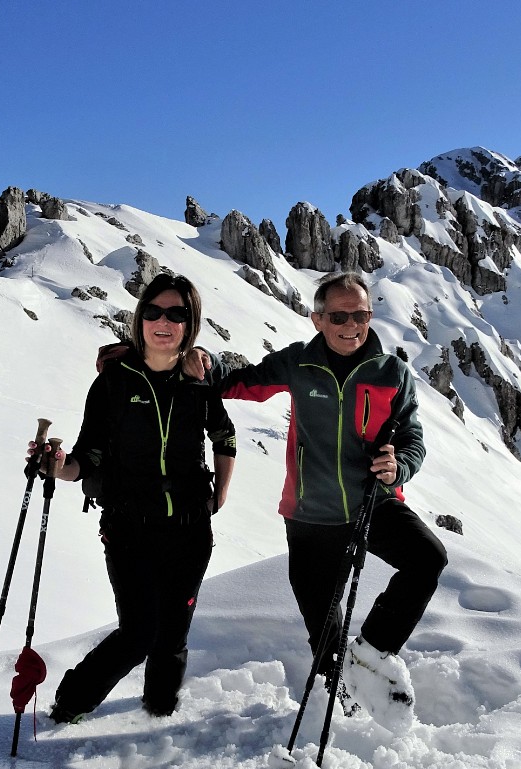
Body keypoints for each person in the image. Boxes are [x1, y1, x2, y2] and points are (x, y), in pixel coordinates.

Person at [202, 271, 447, 732]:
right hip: (309, 515)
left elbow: (412, 437)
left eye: (361, 314)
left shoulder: (392, 373)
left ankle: (371, 653)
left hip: (373, 501)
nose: (352, 324)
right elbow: (241, 384)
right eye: (339, 316)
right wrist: (204, 361)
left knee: (427, 560)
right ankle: (340, 716)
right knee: (324, 634)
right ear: (318, 319)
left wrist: (400, 465)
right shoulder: (298, 363)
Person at [31, 273, 236, 723]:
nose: (164, 322)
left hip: (189, 530)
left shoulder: (198, 381)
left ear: (191, 323)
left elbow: (225, 434)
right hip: (129, 529)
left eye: (177, 314)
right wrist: (58, 466)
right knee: (139, 632)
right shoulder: (113, 383)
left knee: (174, 633)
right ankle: (69, 706)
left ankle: (159, 713)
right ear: (140, 318)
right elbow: (87, 457)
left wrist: (218, 494)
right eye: (154, 312)